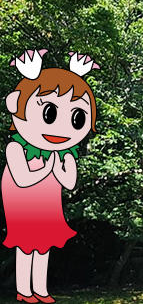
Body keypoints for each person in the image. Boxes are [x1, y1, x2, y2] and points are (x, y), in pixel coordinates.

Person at [3, 50, 99, 303]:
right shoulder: (16, 148)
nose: (62, 129)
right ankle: (25, 290)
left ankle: (40, 289)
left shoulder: (66, 154)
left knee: (43, 247)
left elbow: (70, 182)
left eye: (77, 118)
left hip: (48, 206)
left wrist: (59, 167)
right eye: (50, 113)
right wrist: (48, 169)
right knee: (25, 247)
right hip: (22, 206)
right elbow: (22, 179)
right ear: (15, 105)